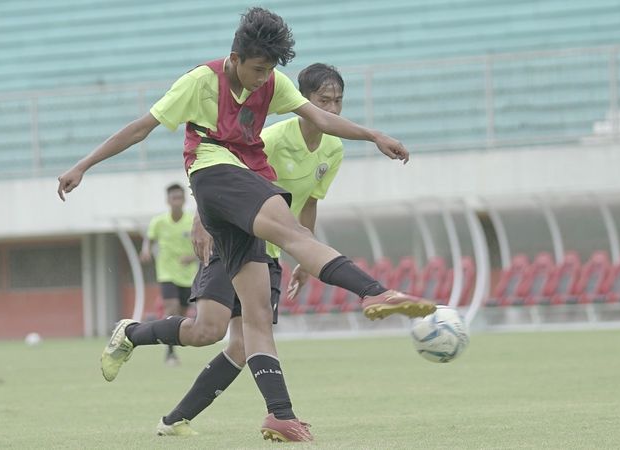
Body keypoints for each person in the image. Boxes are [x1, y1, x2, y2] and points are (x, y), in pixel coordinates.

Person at [56, 8, 436, 442]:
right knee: (293, 234)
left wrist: (374, 136)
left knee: (248, 319)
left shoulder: (274, 83)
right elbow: (142, 128)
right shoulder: (201, 81)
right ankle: (375, 292)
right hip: (212, 172)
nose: (262, 80)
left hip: (246, 186)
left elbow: (322, 120)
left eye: (270, 70)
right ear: (235, 57)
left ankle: (278, 413)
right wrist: (83, 165)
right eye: (257, 69)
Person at [156, 62, 346, 437]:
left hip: (270, 254)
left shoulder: (334, 149)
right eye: (324, 100)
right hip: (234, 242)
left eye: (339, 101)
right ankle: (133, 334)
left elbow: (308, 204)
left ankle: (178, 419)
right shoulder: (273, 137)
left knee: (242, 344)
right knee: (207, 331)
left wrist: (305, 259)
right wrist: (201, 216)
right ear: (302, 99)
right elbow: (220, 174)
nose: (332, 109)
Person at [139, 183, 197, 366]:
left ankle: (171, 345)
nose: (177, 201)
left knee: (180, 315)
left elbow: (203, 247)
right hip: (166, 273)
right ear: (168, 200)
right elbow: (149, 238)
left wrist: (193, 257)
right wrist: (146, 250)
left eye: (180, 197)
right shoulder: (159, 222)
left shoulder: (192, 221)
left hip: (188, 276)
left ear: (184, 199)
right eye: (174, 198)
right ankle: (170, 352)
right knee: (170, 308)